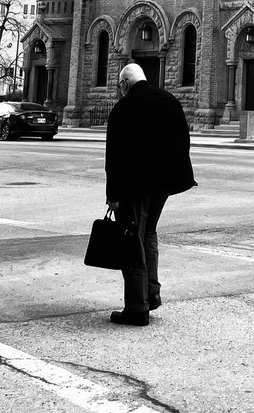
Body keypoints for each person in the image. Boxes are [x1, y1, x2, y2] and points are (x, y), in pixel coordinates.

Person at [104, 62, 197, 325]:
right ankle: (151, 295)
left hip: (136, 187)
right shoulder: (169, 101)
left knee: (132, 241)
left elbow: (115, 157)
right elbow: (183, 140)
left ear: (124, 84)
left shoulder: (124, 108)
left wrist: (113, 194)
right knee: (148, 235)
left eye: (119, 86)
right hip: (164, 185)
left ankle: (137, 307)